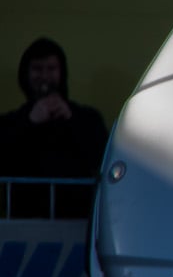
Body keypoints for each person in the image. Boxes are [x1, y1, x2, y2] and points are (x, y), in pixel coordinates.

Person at [0, 39, 108, 190]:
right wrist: (29, 122)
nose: (44, 76)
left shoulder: (89, 118)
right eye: (37, 69)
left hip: (76, 211)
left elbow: (101, 159)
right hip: (25, 211)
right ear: (26, 74)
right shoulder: (9, 123)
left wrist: (72, 120)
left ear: (62, 73)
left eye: (51, 69)